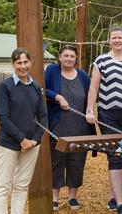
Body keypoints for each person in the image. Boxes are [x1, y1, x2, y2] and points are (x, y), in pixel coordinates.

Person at [85, 27, 122, 214]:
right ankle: (121, 203)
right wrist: (89, 109)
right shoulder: (101, 61)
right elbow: (94, 88)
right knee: (114, 154)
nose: (117, 40)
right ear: (109, 40)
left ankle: (113, 196)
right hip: (107, 113)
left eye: (120, 37)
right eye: (114, 38)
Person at [0, 48, 48, 214]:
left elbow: (43, 116)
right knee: (3, 186)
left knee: (22, 186)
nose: (23, 66)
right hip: (8, 144)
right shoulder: (6, 86)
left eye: (25, 62)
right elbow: (2, 117)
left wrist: (35, 140)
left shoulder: (36, 88)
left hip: (31, 145)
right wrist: (21, 139)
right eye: (19, 63)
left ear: (30, 63)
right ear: (13, 64)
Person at [45, 44, 95, 211]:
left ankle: (72, 197)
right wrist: (58, 97)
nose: (68, 58)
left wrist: (89, 111)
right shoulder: (52, 71)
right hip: (57, 126)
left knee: (77, 162)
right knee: (56, 162)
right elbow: (43, 90)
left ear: (76, 59)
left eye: (72, 56)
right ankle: (55, 198)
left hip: (79, 127)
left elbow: (90, 95)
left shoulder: (82, 76)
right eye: (65, 55)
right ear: (60, 57)